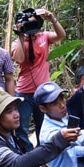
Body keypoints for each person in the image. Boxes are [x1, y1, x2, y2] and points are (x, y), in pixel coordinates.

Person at [12, 8, 66, 151]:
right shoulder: (17, 43)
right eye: (28, 24)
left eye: (34, 24)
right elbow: (19, 59)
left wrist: (53, 19)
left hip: (43, 92)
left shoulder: (44, 36)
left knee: (42, 125)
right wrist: (21, 36)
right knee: (21, 128)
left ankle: (43, 154)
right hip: (24, 92)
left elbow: (61, 35)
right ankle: (29, 156)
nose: (32, 27)